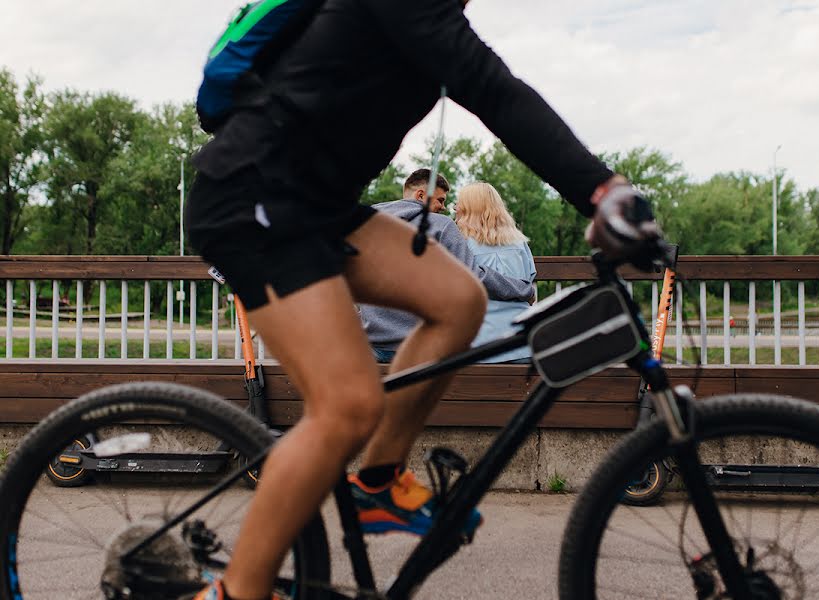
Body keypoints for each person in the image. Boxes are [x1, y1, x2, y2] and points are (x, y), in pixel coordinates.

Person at [186, 1, 658, 597]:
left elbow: (489, 86)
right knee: (346, 406)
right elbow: (495, 92)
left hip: (316, 206)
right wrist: (602, 191)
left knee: (458, 299)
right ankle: (235, 593)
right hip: (252, 200)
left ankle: (378, 484)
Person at [361, 170, 535, 363]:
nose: (445, 208)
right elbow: (475, 276)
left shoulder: (367, 220)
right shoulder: (442, 226)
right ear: (421, 196)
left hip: (372, 343)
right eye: (441, 201)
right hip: (418, 347)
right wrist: (524, 290)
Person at [455, 182, 536, 364]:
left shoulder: (461, 244)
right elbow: (530, 288)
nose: (456, 208)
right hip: (521, 344)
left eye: (458, 204)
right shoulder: (519, 241)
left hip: (478, 345)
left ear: (469, 208)